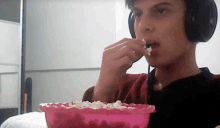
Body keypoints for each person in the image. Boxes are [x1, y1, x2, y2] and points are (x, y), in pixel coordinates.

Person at [82, 0, 220, 127]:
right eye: (138, 14)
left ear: (198, 21)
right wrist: (100, 94)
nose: (142, 26)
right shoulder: (120, 90)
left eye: (161, 11)